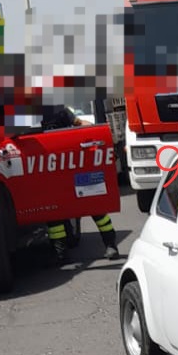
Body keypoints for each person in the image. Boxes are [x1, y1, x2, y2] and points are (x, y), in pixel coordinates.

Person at [40, 103, 120, 262]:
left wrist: (96, 133)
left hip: (71, 164)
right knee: (54, 213)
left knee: (93, 205)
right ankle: (60, 253)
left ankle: (111, 245)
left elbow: (78, 123)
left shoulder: (58, 109)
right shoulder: (27, 116)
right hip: (50, 170)